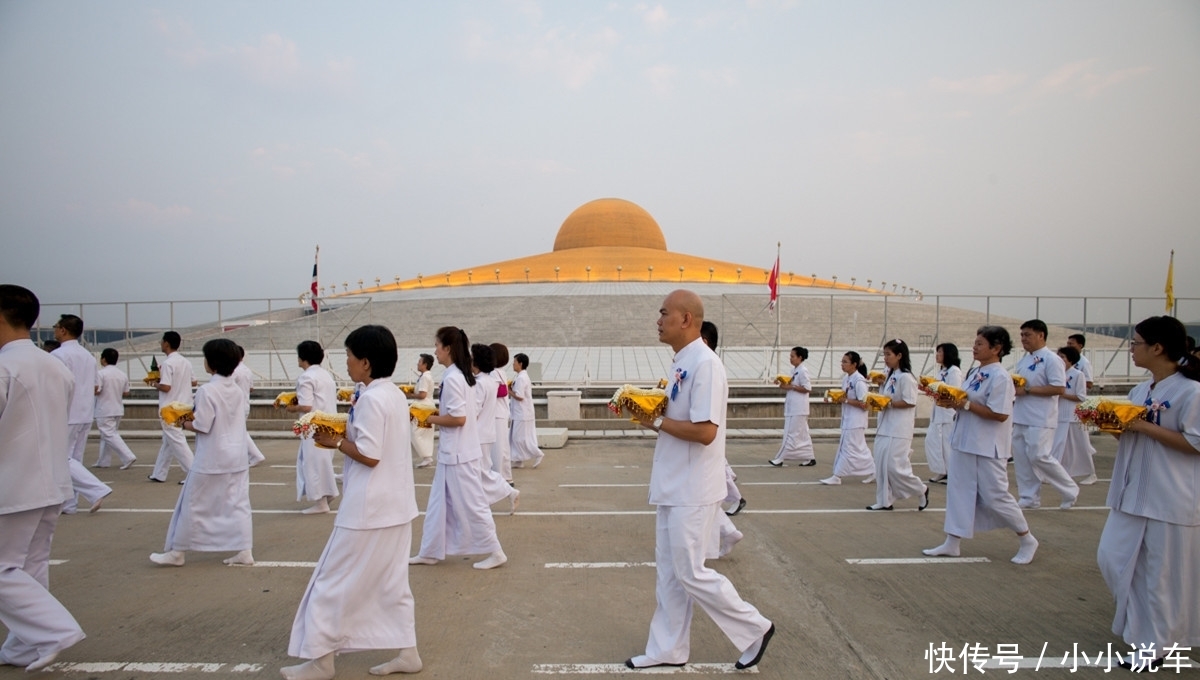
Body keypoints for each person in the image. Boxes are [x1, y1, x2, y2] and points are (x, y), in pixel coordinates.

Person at [625, 290, 774, 670]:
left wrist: (654, 421)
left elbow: (706, 431)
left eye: (663, 314)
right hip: (674, 483)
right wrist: (649, 406)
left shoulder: (706, 365)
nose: (658, 321)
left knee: (690, 572)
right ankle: (667, 649)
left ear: (686, 319)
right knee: (670, 574)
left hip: (692, 487)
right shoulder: (682, 362)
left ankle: (754, 627)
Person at [283, 325, 422, 679]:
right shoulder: (389, 394)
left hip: (369, 507)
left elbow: (370, 455)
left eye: (348, 356)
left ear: (365, 362)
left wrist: (334, 441)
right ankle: (408, 652)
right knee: (391, 583)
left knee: (331, 582)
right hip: (394, 505)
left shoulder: (374, 398)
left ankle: (321, 662)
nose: (345, 363)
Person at [1097, 316, 1200, 671]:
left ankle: (1156, 646)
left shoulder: (1191, 392)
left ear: (1158, 348)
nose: (1132, 348)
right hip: (1131, 493)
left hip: (1170, 496)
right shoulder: (1140, 392)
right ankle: (1146, 635)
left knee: (1160, 575)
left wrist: (1142, 424)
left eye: (1137, 342)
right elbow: (1129, 437)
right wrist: (1110, 424)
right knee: (1113, 558)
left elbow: (1195, 443)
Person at [0, 284, 86, 672]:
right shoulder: (54, 365)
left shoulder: (6, 366)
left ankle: (53, 631)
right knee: (31, 567)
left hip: (13, 480)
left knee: (5, 568)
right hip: (50, 479)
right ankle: (22, 647)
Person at [923, 326, 1040, 565]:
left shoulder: (1000, 377)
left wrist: (964, 405)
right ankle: (952, 542)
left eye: (980, 344)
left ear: (997, 349)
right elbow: (965, 401)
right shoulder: (976, 372)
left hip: (988, 446)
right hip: (964, 441)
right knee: (958, 492)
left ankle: (1027, 538)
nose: (974, 347)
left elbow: (1000, 414)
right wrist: (952, 403)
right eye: (975, 343)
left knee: (996, 496)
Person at [409, 326, 507, 570]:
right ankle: (430, 551)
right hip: (454, 452)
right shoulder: (460, 375)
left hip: (459, 454)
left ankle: (495, 550)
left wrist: (428, 417)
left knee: (473, 504)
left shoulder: (454, 378)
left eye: (437, 346)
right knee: (437, 504)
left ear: (448, 348)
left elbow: (459, 418)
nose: (435, 351)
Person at [150, 338, 254, 568]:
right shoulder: (235, 389)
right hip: (236, 456)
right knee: (238, 504)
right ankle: (244, 550)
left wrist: (180, 421)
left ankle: (177, 552)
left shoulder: (208, 390)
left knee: (192, 503)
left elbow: (202, 425)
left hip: (213, 457)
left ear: (212, 363)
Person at [1012, 320, 1078, 510]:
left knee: (1039, 455)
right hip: (1021, 415)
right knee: (1023, 458)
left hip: (1041, 417)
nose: (1024, 338)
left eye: (1028, 334)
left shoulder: (1052, 359)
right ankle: (1029, 497)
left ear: (1041, 335)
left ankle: (1069, 489)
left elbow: (1058, 387)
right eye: (1022, 335)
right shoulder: (1024, 360)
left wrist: (1029, 390)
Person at [49, 315, 112, 514]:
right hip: (85, 411)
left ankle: (95, 489)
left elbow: (55, 386)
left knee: (61, 459)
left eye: (56, 327)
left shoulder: (58, 355)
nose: (55, 330)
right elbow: (95, 386)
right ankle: (69, 504)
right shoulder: (87, 355)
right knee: (74, 459)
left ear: (63, 330)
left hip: (67, 413)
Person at [867, 339, 929, 512]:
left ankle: (920, 489)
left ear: (899, 356)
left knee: (895, 467)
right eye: (884, 354)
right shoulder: (890, 376)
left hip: (899, 429)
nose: (885, 358)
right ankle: (884, 500)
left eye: (889, 354)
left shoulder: (906, 377)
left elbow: (910, 401)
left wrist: (888, 404)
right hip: (885, 427)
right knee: (881, 465)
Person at [700, 320, 744, 555]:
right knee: (706, 499)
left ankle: (726, 532)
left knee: (703, 499)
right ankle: (728, 530)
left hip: (703, 445)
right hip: (705, 448)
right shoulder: (701, 364)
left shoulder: (708, 367)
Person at [284, 340, 340, 515]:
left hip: (314, 425)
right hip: (330, 423)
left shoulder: (306, 377)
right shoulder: (326, 375)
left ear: (303, 358)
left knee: (312, 463)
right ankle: (328, 494)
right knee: (322, 463)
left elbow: (307, 405)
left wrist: (292, 407)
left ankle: (321, 501)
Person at [470, 343, 520, 514]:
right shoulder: (489, 379)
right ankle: (487, 501)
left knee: (483, 470)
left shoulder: (484, 381)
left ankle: (508, 492)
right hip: (487, 429)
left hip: (481, 431)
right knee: (483, 469)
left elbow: (474, 411)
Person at [820, 352, 876, 485]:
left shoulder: (859, 381)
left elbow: (864, 404)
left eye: (845, 362)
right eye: (842, 361)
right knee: (859, 449)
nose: (842, 364)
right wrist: (834, 398)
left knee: (848, 449)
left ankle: (837, 475)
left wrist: (845, 401)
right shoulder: (846, 379)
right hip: (848, 419)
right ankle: (874, 470)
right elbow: (844, 397)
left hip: (856, 421)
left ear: (854, 364)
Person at [148, 331, 195, 483]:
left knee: (177, 441)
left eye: (162, 341)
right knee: (169, 441)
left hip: (170, 407)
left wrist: (153, 383)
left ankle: (193, 473)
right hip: (184, 404)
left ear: (166, 343)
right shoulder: (186, 362)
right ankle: (159, 473)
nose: (161, 344)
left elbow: (166, 387)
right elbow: (193, 382)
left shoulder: (168, 364)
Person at [1052, 346, 1097, 485]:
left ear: (1070, 360)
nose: (1060, 360)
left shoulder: (1078, 375)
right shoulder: (1056, 374)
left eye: (1063, 357)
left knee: (1081, 446)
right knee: (1058, 445)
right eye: (1058, 356)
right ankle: (1056, 473)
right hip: (1059, 415)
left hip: (1074, 415)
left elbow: (1081, 397)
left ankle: (1091, 473)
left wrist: (1062, 394)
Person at [768, 346, 814, 467]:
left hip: (798, 408)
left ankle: (780, 458)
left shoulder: (803, 371)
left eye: (793, 356)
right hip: (793, 406)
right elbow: (790, 385)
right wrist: (782, 383)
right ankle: (810, 456)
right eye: (790, 356)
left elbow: (807, 388)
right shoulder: (793, 370)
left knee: (790, 433)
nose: (791, 358)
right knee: (803, 433)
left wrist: (792, 386)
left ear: (800, 357)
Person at [924, 343, 963, 485]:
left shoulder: (954, 371)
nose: (937, 355)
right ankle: (942, 469)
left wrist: (938, 391)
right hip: (938, 412)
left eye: (940, 352)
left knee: (947, 445)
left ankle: (951, 472)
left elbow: (954, 391)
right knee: (933, 442)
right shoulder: (942, 371)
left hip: (948, 413)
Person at [93, 348, 137, 470]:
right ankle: (103, 460)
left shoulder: (101, 373)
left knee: (108, 434)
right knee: (107, 435)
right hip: (117, 408)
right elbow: (126, 392)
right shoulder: (122, 374)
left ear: (103, 359)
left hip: (104, 408)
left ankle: (128, 456)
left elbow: (97, 390)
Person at [509, 352, 545, 469]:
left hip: (522, 413)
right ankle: (518, 460)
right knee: (518, 437)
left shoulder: (521, 378)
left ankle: (537, 453)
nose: (513, 364)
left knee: (520, 438)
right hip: (522, 413)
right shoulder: (521, 377)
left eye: (514, 362)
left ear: (520, 364)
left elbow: (520, 396)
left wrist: (507, 391)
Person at [232, 345, 265, 467]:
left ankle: (255, 455)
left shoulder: (234, 371)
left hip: (236, 406)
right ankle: (246, 456)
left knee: (239, 432)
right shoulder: (246, 370)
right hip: (245, 404)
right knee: (238, 431)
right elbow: (251, 388)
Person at [489, 343, 514, 484]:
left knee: (497, 449)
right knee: (503, 447)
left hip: (497, 414)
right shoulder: (500, 371)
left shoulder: (493, 372)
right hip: (501, 413)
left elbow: (502, 391)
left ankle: (498, 477)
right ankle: (506, 476)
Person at [410, 354, 436, 469]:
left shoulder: (425, 377)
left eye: (420, 362)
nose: (418, 364)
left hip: (422, 408)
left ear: (425, 364)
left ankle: (426, 457)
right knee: (423, 433)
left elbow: (422, 394)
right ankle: (426, 456)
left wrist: (409, 394)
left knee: (416, 432)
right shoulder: (425, 376)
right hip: (426, 407)